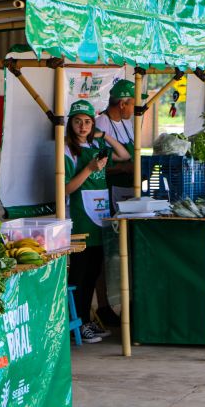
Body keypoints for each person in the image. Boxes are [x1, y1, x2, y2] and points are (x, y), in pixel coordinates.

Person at [65, 100, 131, 343]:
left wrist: (104, 135)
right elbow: (65, 189)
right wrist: (90, 169)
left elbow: (124, 154)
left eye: (87, 122)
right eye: (77, 121)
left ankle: (86, 319)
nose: (82, 126)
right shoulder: (66, 151)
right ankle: (77, 324)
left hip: (100, 215)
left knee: (93, 272)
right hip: (80, 218)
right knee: (79, 274)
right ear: (70, 124)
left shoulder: (96, 144)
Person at [94, 79, 147, 326]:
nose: (134, 108)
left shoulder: (126, 123)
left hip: (128, 192)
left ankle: (128, 303)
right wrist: (126, 166)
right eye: (132, 103)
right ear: (123, 102)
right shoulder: (101, 124)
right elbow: (97, 165)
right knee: (107, 251)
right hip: (108, 193)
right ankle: (103, 305)